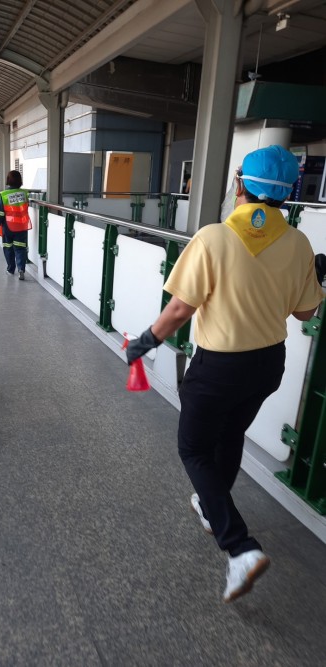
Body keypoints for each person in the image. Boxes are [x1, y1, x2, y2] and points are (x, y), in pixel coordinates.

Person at [126, 145, 324, 603]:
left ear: (240, 186)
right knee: (229, 435)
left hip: (219, 367)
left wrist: (143, 343)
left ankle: (239, 547)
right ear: (289, 194)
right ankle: (213, 507)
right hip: (266, 365)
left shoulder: (213, 237)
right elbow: (306, 311)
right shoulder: (298, 243)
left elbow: (179, 309)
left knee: (193, 448)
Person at [0, 170, 31, 280]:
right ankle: (21, 270)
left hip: (8, 227)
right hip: (22, 226)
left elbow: (0, 213)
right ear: (20, 180)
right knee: (20, 249)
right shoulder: (25, 193)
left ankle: (10, 269)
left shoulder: (3, 194)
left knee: (8, 248)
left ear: (8, 180)